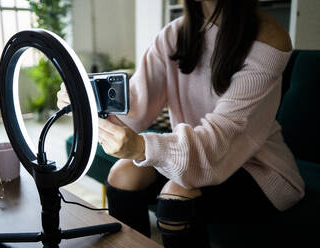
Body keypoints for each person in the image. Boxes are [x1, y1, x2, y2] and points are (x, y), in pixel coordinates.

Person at [57, 0, 305, 247]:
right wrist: (83, 100)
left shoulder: (269, 41)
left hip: (258, 168)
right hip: (197, 156)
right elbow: (133, 108)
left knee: (177, 194)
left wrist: (143, 147)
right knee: (123, 174)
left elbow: (217, 143)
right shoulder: (175, 34)